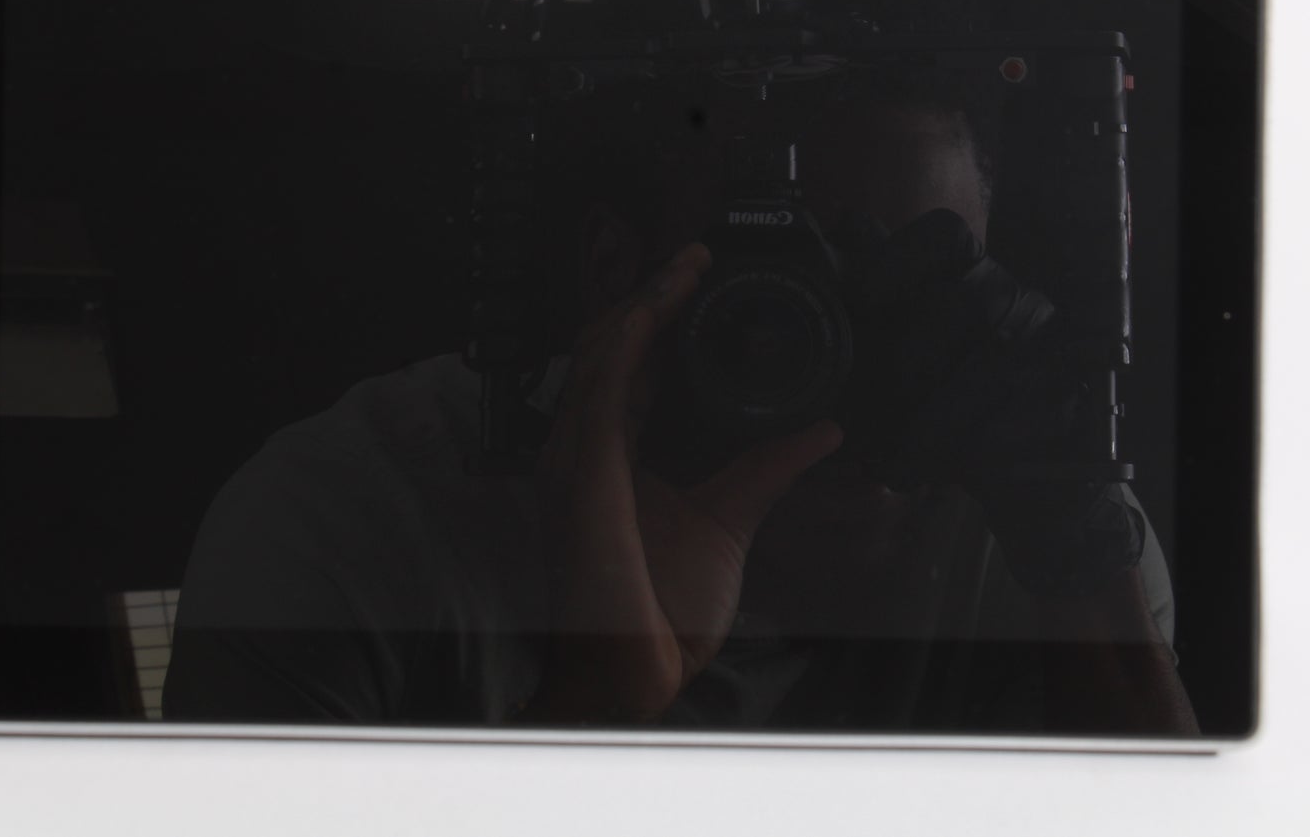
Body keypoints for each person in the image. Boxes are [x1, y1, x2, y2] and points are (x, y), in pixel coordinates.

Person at [164, 73, 1197, 736]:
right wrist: (594, 703)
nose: (848, 370)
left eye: (919, 298)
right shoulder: (350, 524)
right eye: (782, 305)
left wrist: (1074, 546)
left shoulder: (1043, 531)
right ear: (614, 274)